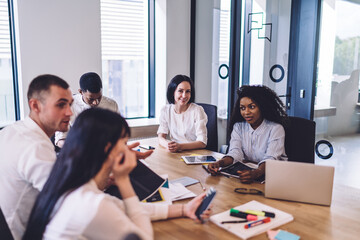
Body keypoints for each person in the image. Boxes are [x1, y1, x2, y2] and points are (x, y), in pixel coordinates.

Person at [23, 108, 211, 240]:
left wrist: (183, 209)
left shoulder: (71, 187)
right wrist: (123, 181)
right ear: (108, 149)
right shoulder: (92, 204)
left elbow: (124, 209)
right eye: (124, 142)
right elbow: (141, 237)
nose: (128, 148)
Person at [0, 75, 73, 240]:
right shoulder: (35, 146)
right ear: (35, 105)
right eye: (61, 105)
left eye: (70, 104)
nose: (70, 112)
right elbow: (69, 200)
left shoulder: (12, 130)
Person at [208, 85, 288, 183]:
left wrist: (256, 173)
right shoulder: (239, 127)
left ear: (262, 107)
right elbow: (235, 152)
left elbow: (271, 158)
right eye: (242, 108)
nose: (246, 112)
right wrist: (219, 163)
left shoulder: (275, 129)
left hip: (275, 178)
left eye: (252, 107)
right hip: (249, 174)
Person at [55, 72, 119, 147]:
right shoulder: (70, 106)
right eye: (91, 99)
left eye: (99, 97)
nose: (95, 102)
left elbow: (119, 133)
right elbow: (60, 140)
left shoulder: (111, 105)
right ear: (81, 92)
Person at [157, 75, 208, 152]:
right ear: (173, 92)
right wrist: (168, 145)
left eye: (187, 91)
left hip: (194, 153)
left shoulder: (197, 110)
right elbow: (161, 137)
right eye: (180, 91)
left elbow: (202, 142)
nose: (184, 96)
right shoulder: (166, 110)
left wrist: (180, 146)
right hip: (176, 152)